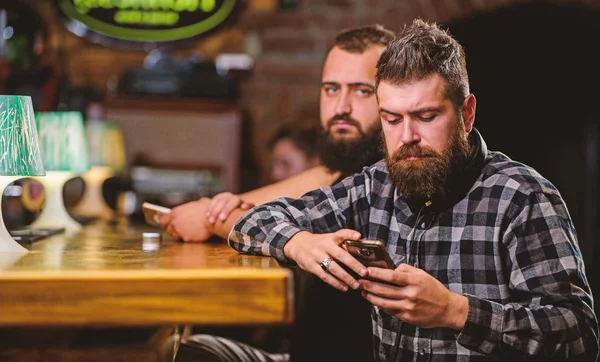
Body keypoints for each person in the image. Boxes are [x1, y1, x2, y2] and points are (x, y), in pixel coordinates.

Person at [229, 19, 599, 361]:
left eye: (426, 117)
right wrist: (301, 243)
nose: (407, 138)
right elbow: (252, 221)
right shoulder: (375, 185)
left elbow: (580, 336)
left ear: (466, 114)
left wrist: (455, 311)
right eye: (391, 119)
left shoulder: (523, 197)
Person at [166, 24, 396, 362]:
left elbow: (214, 219)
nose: (341, 107)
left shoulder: (385, 182)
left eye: (362, 91)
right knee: (181, 347)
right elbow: (255, 208)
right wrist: (228, 208)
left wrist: (215, 216)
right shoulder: (333, 174)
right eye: (331, 89)